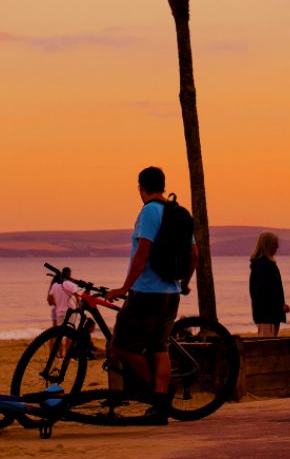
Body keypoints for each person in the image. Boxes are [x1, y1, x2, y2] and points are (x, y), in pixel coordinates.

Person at [104, 166, 196, 424]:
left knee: (121, 345)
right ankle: (160, 404)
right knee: (159, 347)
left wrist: (123, 288)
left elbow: (143, 251)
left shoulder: (149, 211)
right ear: (163, 185)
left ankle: (158, 394)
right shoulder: (177, 213)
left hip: (146, 292)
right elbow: (195, 254)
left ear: (140, 187)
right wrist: (185, 283)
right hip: (171, 293)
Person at [248, 232, 289, 337]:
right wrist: (279, 307)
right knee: (267, 345)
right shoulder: (262, 266)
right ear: (267, 245)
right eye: (274, 244)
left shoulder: (269, 264)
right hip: (266, 316)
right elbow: (262, 294)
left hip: (272, 315)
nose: (277, 247)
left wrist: (281, 306)